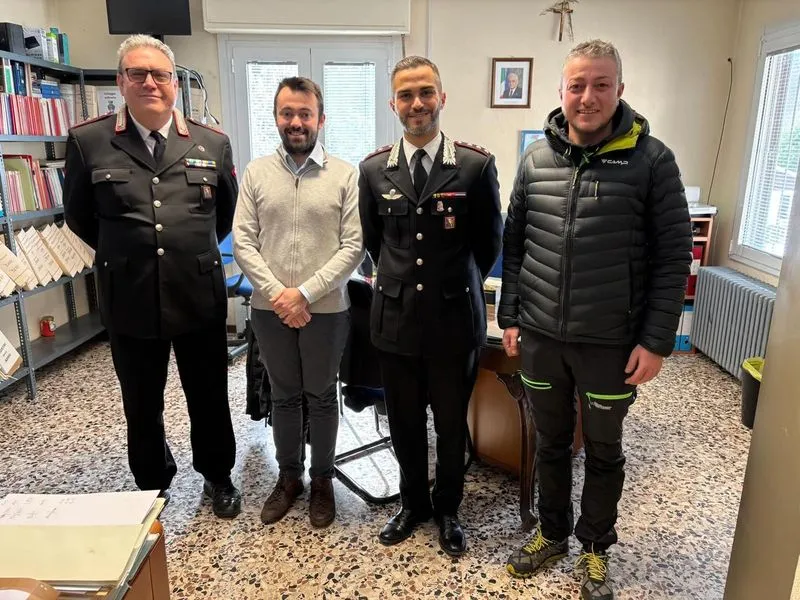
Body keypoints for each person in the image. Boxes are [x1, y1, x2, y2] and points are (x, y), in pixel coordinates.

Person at [499, 40, 692, 599]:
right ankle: (552, 533)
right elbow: (515, 244)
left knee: (604, 450)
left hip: (611, 343)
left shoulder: (652, 161)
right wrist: (511, 314)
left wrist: (656, 341)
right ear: (561, 91)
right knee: (551, 442)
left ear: (620, 90)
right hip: (541, 336)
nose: (588, 97)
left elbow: (674, 256)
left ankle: (595, 547)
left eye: (601, 85)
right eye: (577, 85)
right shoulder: (535, 159)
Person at [63, 34, 242, 519]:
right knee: (141, 400)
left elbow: (224, 216)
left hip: (197, 293)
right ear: (121, 81)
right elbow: (79, 216)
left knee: (208, 394)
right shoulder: (89, 141)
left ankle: (217, 473)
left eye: (160, 74)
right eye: (137, 73)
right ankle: (152, 481)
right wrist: (128, 251)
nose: (150, 83)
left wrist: (185, 252)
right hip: (130, 293)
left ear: (174, 84)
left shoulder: (211, 142)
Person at [359, 56, 503, 557]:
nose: (416, 103)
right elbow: (375, 244)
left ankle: (448, 509)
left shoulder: (474, 165)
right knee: (402, 423)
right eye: (406, 94)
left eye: (425, 92)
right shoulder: (374, 169)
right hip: (395, 322)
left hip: (453, 323)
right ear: (393, 104)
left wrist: (452, 283)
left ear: (442, 98)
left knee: (449, 424)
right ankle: (413, 504)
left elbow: (488, 244)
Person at [232, 77, 362, 528]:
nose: (296, 122)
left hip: (326, 310)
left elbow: (353, 246)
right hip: (270, 310)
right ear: (276, 118)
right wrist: (279, 295)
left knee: (322, 396)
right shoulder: (256, 173)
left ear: (320, 120)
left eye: (305, 114)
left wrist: (303, 294)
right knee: (284, 395)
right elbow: (243, 242)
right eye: (287, 113)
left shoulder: (345, 175)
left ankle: (323, 480)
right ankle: (290, 478)